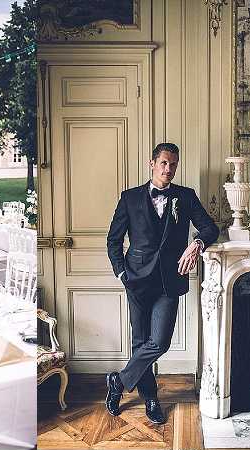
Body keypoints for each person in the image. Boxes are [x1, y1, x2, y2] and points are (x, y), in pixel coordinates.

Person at [106, 143, 219, 424]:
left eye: (173, 165)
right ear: (152, 163)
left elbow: (210, 227)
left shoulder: (186, 196)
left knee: (159, 341)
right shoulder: (130, 198)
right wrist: (122, 273)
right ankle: (151, 398)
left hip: (170, 281)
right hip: (136, 280)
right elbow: (113, 240)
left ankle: (118, 382)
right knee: (140, 342)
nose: (169, 169)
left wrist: (197, 243)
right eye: (164, 163)